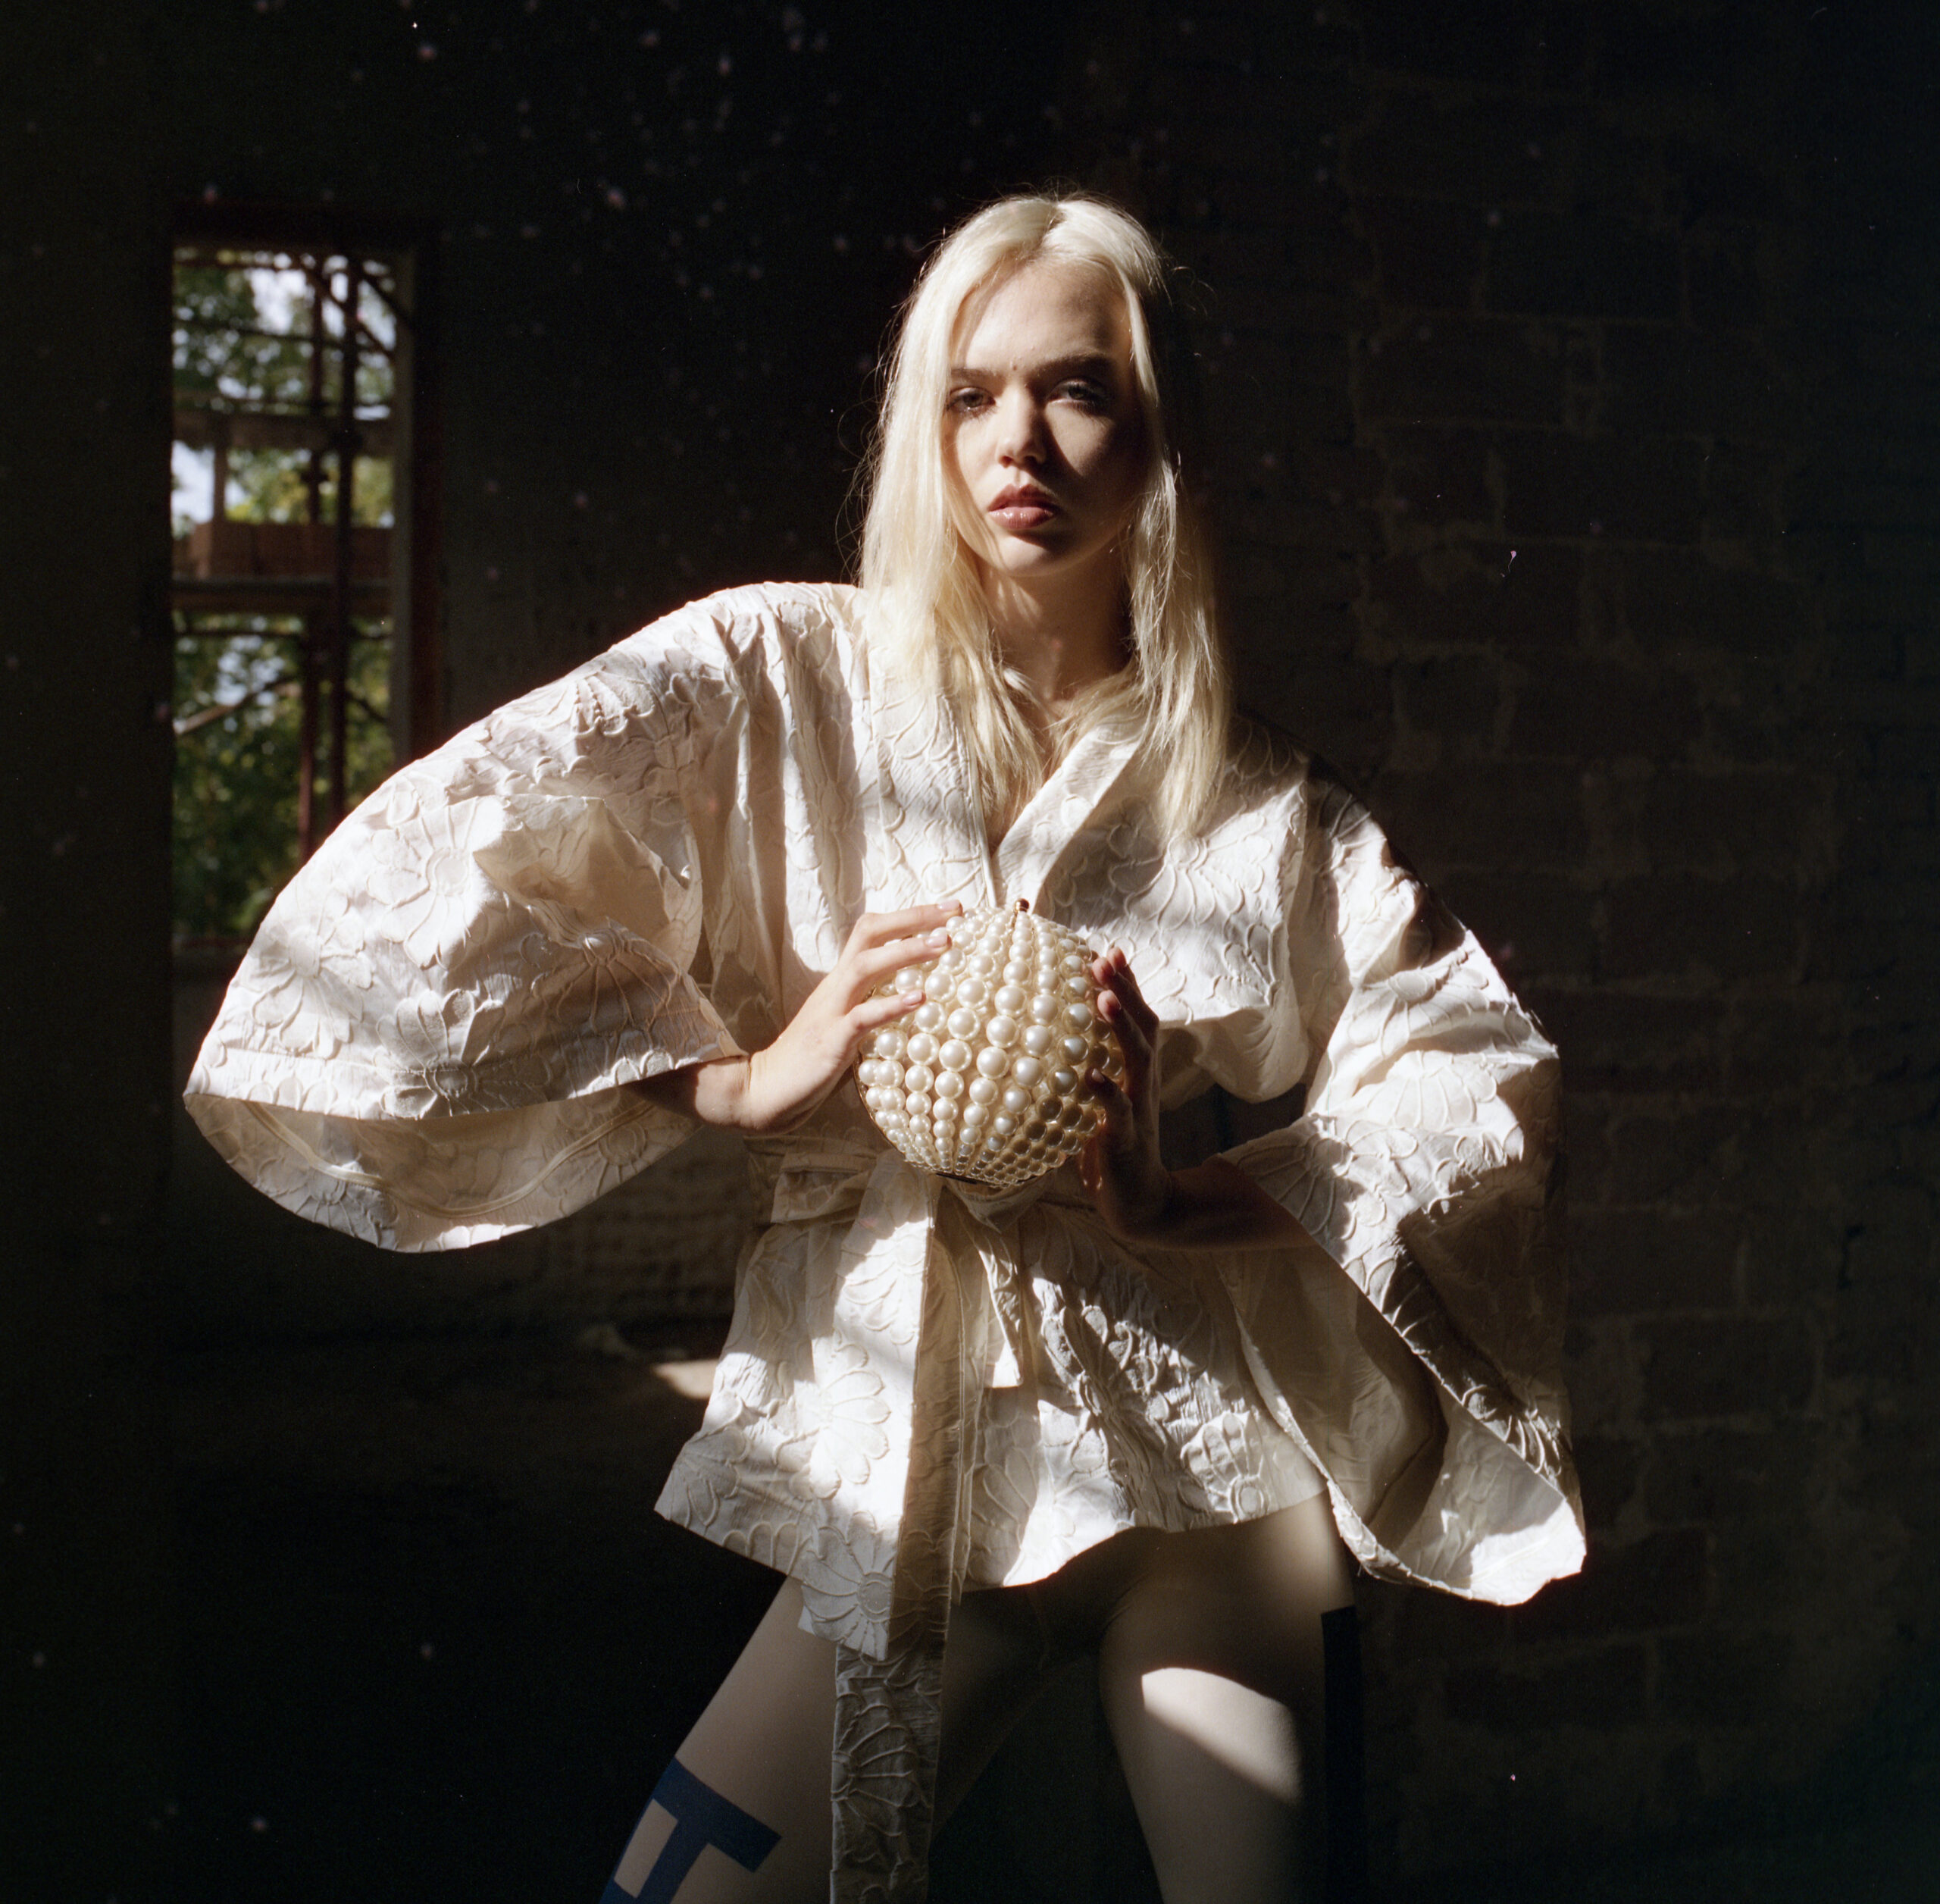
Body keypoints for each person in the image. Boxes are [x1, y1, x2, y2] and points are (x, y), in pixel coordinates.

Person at [186, 193, 1584, 1903]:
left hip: (1210, 1487)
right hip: (917, 1468)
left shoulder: (1247, 793)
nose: (1019, 443)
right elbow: (426, 882)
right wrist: (729, 1077)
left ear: (1156, 433)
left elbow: (1469, 1074)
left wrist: (1180, 1198)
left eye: (1078, 390)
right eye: (970, 394)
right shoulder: (781, 670)